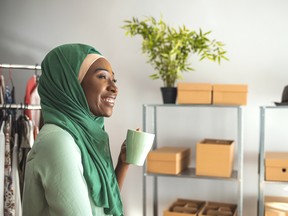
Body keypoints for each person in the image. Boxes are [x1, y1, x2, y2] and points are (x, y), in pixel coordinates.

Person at [22, 43, 130, 216]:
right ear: (71, 83)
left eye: (114, 80)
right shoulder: (58, 142)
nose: (114, 88)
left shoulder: (85, 138)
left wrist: (123, 165)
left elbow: (102, 207)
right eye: (102, 76)